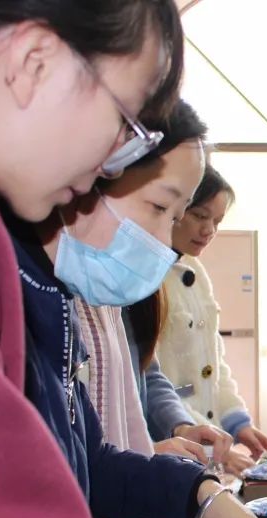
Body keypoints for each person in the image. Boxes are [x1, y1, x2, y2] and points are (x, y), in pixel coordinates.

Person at [0, 2, 267, 518]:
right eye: (124, 120)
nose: (112, 159)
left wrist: (194, 495)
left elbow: (72, 467)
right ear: (34, 62)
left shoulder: (15, 266)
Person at [73, 100, 236, 477]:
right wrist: (148, 455)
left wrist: (178, 430)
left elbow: (144, 369)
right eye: (161, 208)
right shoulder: (60, 290)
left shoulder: (112, 293)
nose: (166, 236)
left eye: (176, 215)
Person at [154, 164, 267, 465]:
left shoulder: (195, 270)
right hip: (169, 442)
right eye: (200, 216)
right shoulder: (146, 281)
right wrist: (209, 445)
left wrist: (237, 422)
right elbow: (154, 385)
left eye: (217, 221)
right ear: (174, 209)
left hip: (204, 440)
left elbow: (213, 364)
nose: (209, 230)